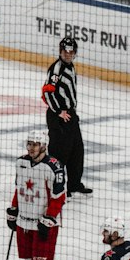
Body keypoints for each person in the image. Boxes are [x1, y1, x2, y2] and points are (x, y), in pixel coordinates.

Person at [6, 128, 66, 260]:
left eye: (36, 144)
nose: (31, 148)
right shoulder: (21, 163)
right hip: (24, 222)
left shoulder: (54, 167)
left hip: (44, 224)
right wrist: (14, 210)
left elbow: (59, 197)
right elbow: (19, 189)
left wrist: (49, 218)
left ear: (44, 146)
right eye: (29, 144)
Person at [42, 35, 90, 194]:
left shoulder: (70, 66)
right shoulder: (57, 69)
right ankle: (58, 187)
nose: (68, 54)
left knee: (77, 150)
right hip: (60, 117)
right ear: (60, 51)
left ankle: (74, 184)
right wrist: (58, 112)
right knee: (59, 153)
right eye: (65, 51)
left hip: (70, 116)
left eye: (71, 52)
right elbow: (47, 93)